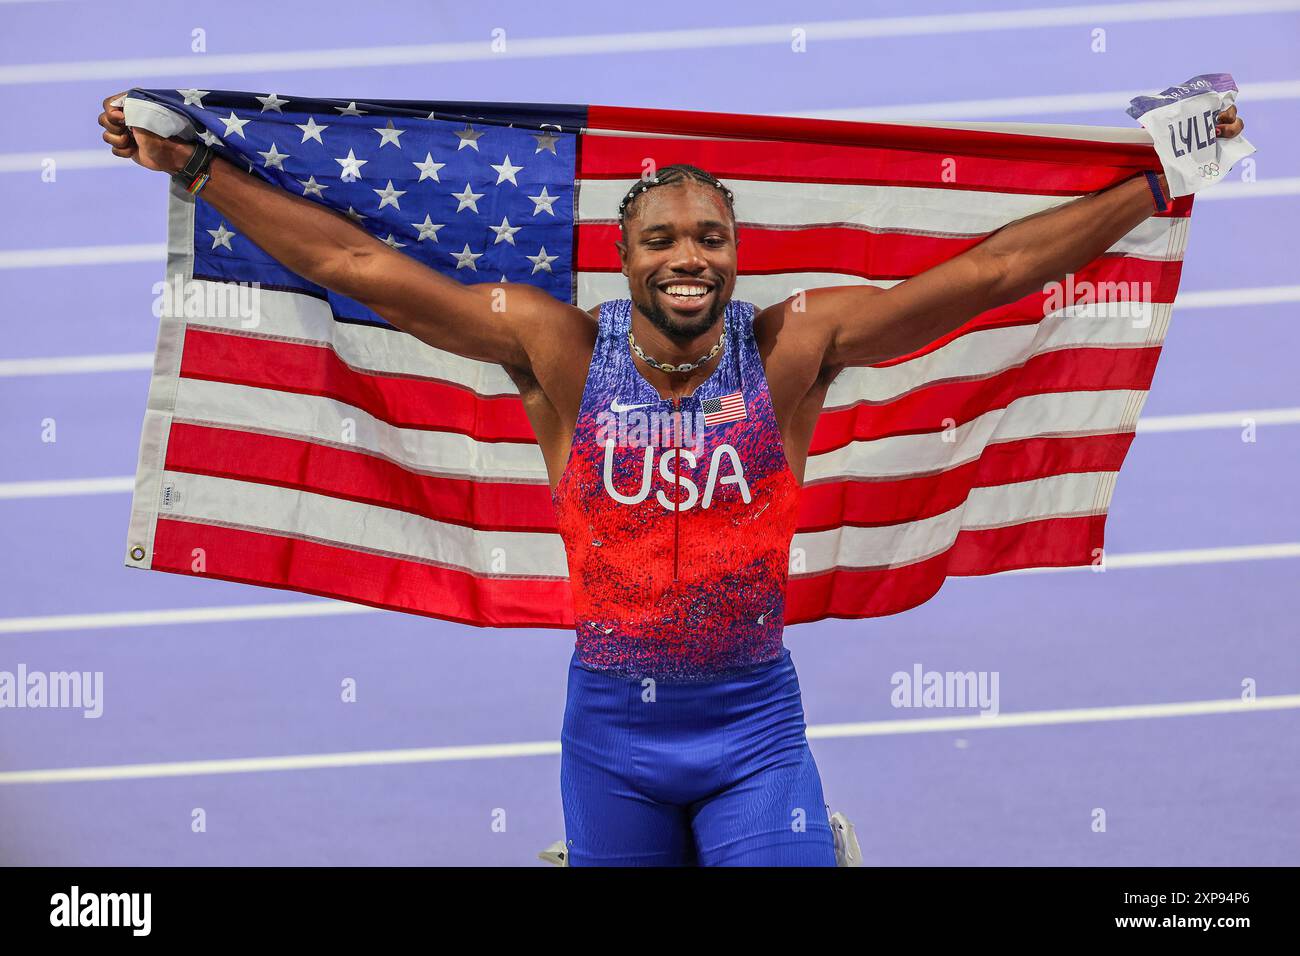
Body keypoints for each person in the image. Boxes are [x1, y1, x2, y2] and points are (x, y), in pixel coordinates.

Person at [97, 92, 1244, 866]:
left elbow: (991, 272)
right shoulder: (555, 349)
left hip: (751, 726)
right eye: (661, 239)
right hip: (608, 737)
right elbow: (358, 268)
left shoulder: (795, 347)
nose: (688, 256)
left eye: (708, 237)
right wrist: (199, 166)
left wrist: (1154, 185)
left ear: (734, 254)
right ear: (625, 258)